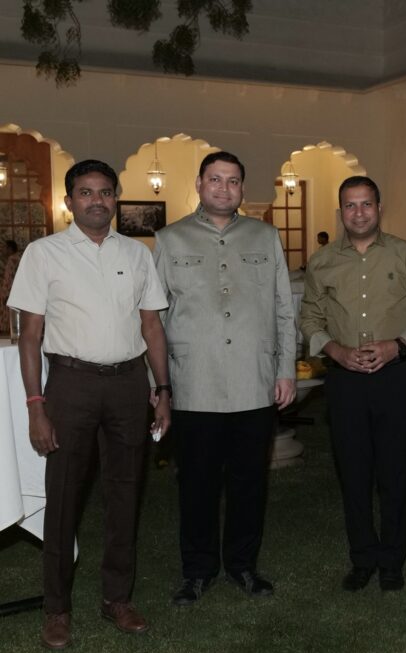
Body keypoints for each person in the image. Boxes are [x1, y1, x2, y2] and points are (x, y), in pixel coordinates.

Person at [8, 159, 171, 650]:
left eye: (104, 192)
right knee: (63, 501)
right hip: (71, 385)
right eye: (85, 192)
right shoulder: (44, 253)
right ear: (68, 201)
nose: (96, 200)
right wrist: (36, 404)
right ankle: (56, 608)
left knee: (125, 495)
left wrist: (162, 390)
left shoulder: (138, 255)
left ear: (116, 198)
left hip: (127, 386)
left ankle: (116, 599)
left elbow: (152, 327)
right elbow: (29, 337)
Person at [154, 151, 296, 606]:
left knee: (249, 483)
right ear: (198, 184)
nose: (223, 188)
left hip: (253, 383)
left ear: (242, 189)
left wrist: (286, 369)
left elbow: (282, 308)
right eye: (214, 179)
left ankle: (243, 565)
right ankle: (197, 571)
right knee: (196, 483)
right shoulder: (169, 239)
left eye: (233, 181)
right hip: (194, 383)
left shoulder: (265, 235)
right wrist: (157, 386)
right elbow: (153, 318)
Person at [300, 176, 406, 592]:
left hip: (394, 379)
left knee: (394, 472)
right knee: (353, 473)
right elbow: (307, 319)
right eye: (350, 206)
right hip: (345, 382)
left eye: (366, 204)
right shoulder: (322, 261)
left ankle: (392, 560)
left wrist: (398, 346)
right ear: (340, 212)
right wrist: (335, 351)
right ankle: (362, 558)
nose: (358, 212)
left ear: (379, 207)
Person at [0, 239, 21, 334]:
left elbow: (10, 279)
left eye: (4, 247)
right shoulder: (18, 258)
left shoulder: (12, 259)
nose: (2, 249)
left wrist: (7, 295)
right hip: (16, 294)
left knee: (9, 321)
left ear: (10, 249)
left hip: (10, 295)